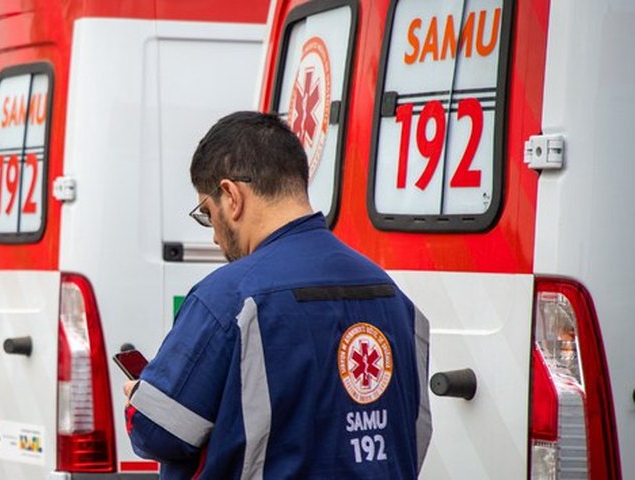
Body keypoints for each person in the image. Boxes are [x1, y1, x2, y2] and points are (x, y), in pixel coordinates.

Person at [123, 111, 431, 478]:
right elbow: (414, 432)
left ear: (231, 196)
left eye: (208, 213)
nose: (214, 237)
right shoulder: (394, 298)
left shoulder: (227, 298)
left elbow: (158, 432)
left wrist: (139, 401)